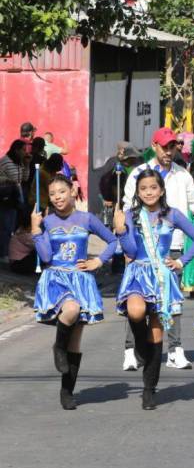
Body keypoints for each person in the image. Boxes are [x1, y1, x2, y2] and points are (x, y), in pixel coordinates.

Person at [114, 169, 194, 410]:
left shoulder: (172, 214)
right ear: (138, 192)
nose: (148, 192)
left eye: (153, 187)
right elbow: (131, 251)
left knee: (156, 332)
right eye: (143, 189)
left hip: (163, 276)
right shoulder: (131, 215)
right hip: (138, 274)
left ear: (161, 190)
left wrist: (181, 261)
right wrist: (121, 231)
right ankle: (140, 350)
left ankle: (149, 389)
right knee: (135, 311)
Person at [31, 174, 118, 409]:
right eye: (52, 194)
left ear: (72, 191)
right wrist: (36, 230)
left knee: (76, 341)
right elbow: (47, 257)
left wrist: (98, 262)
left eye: (61, 191)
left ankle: (66, 391)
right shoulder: (47, 222)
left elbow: (112, 241)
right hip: (57, 279)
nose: (57, 197)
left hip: (81, 280)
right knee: (71, 309)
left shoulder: (87, 218)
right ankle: (57, 347)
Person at [122, 127, 194, 370]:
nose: (169, 151)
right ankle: (130, 350)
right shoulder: (138, 173)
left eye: (173, 147)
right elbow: (127, 209)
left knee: (171, 301)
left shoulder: (182, 175)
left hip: (171, 248)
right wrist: (126, 247)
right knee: (135, 302)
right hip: (141, 250)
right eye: (165, 146)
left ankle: (175, 349)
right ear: (154, 146)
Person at [0, 140, 31, 263]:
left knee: (12, 226)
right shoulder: (5, 161)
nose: (25, 152)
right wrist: (8, 180)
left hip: (16, 196)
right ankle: (3, 254)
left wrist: (27, 164)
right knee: (6, 227)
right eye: (23, 150)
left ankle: (8, 251)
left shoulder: (19, 163)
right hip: (6, 197)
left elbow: (24, 178)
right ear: (16, 150)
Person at [8, 206, 36, 274]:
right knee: (39, 252)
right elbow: (38, 245)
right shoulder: (25, 235)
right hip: (19, 264)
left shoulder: (19, 230)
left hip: (14, 263)